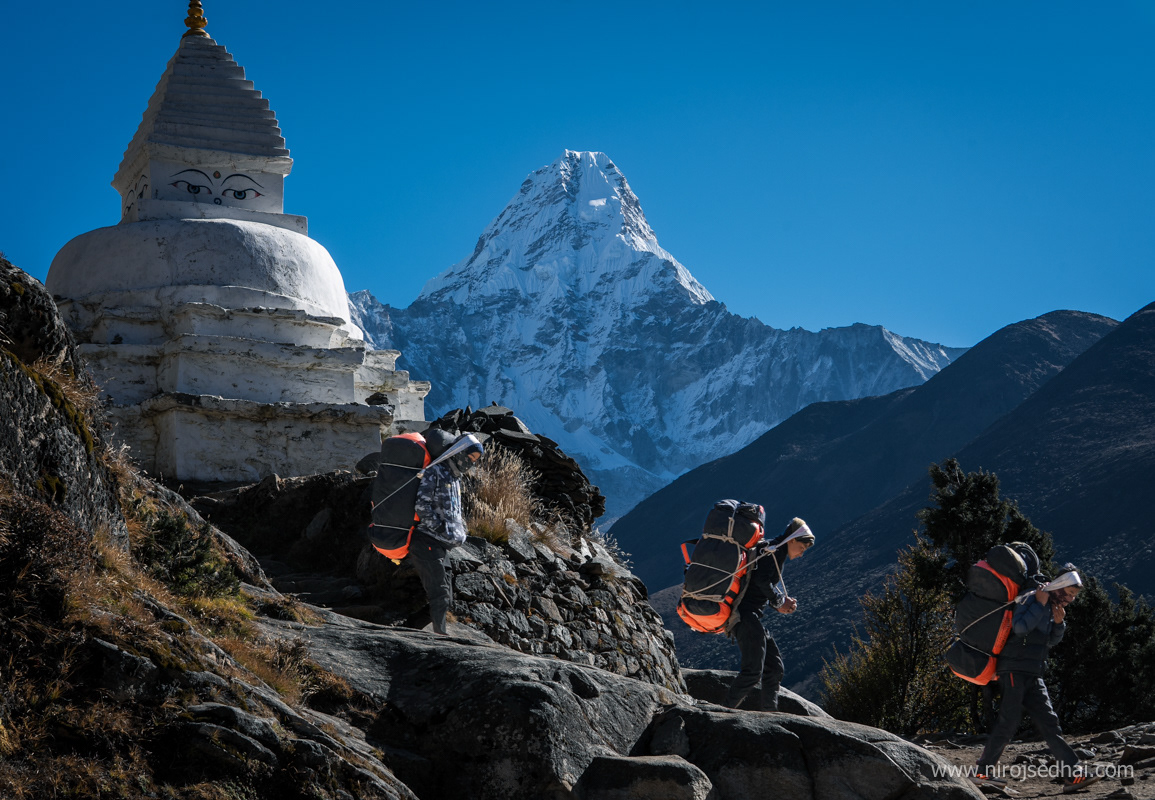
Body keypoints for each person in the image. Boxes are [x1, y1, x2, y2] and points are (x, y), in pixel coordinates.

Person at [973, 564, 1102, 794]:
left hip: (1033, 672)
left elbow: (1050, 641)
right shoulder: (1032, 597)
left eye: (1074, 596)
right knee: (1009, 722)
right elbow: (1020, 627)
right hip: (1013, 668)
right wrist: (1040, 604)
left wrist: (1060, 623)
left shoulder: (1054, 605)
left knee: (1050, 723)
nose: (1070, 599)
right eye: (1069, 593)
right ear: (1060, 586)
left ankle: (1074, 775)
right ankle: (982, 774)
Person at [724, 517, 815, 711]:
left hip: (750, 616)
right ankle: (723, 710)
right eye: (802, 548)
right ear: (792, 539)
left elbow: (761, 586)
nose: (801, 554)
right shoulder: (771, 552)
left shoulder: (775, 553)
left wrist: (781, 604)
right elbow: (761, 581)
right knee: (753, 671)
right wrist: (780, 602)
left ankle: (770, 714)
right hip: (743, 616)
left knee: (774, 668)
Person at [408, 431, 485, 635]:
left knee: (446, 596)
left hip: (441, 544)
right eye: (470, 456)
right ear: (459, 451)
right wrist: (441, 527)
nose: (471, 462)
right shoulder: (435, 472)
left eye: (475, 460)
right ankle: (441, 635)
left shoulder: (454, 477)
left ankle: (407, 630)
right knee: (440, 593)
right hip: (427, 540)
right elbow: (422, 505)